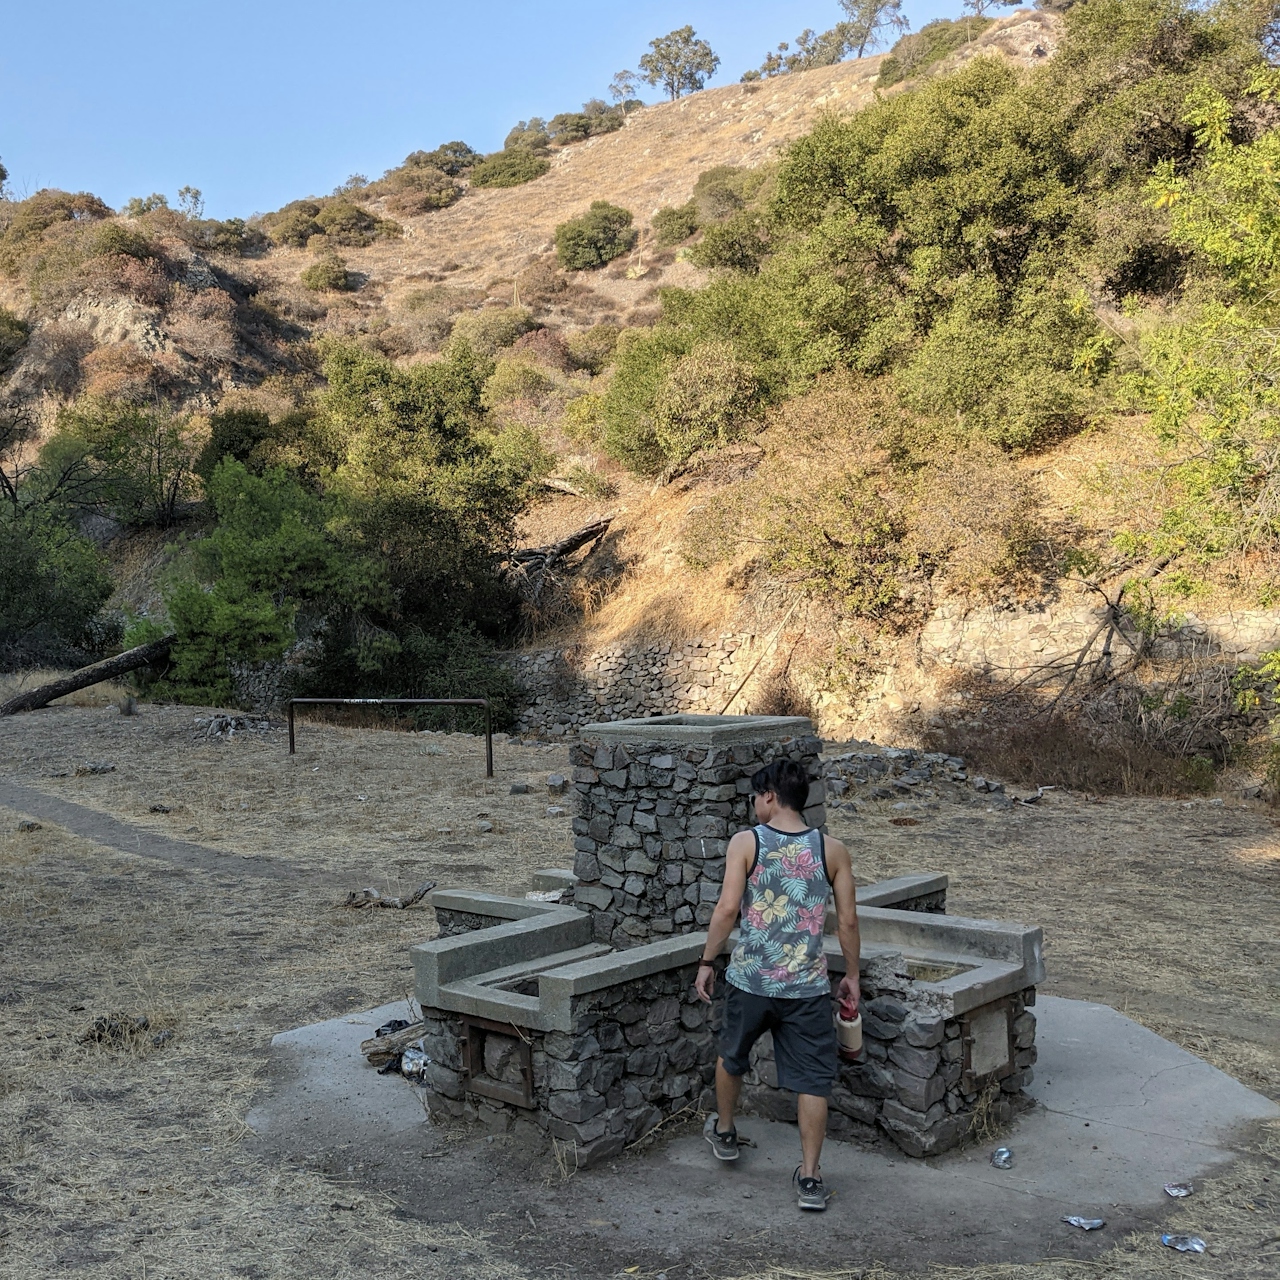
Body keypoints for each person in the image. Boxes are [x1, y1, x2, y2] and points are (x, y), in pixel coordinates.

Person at [694, 756, 860, 1211]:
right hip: (807, 988)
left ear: (769, 796)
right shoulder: (832, 850)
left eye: (755, 796)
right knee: (813, 1082)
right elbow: (846, 921)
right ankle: (810, 1178)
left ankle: (725, 1133)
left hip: (750, 980)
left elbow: (728, 909)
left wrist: (707, 959)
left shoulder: (746, 842)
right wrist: (851, 975)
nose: (753, 804)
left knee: (732, 1056)